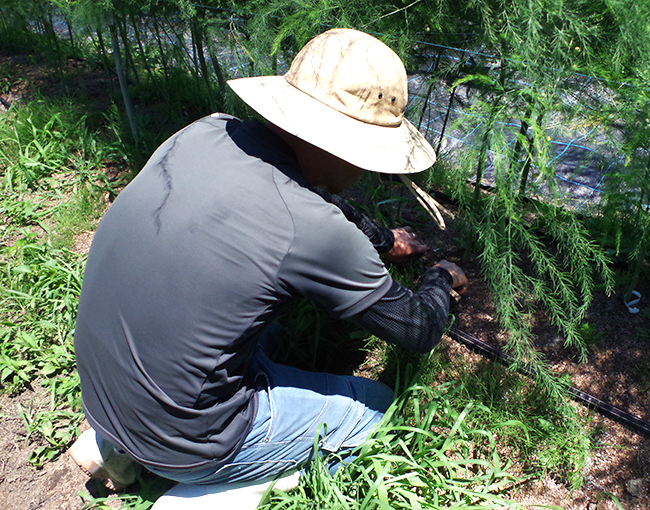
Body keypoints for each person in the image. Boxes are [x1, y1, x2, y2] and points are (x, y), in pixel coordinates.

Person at [69, 28, 467, 508]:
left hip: (103, 392)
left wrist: (383, 241)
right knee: (376, 410)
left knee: (256, 320)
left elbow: (310, 196)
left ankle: (113, 446)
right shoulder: (313, 228)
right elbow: (416, 328)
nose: (369, 172)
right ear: (344, 144)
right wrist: (440, 279)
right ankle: (207, 493)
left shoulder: (207, 130)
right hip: (187, 438)